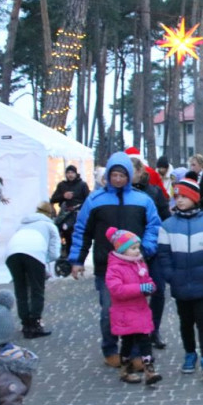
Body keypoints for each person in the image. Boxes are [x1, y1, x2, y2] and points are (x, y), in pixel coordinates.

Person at [69, 152, 161, 368]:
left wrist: (146, 248)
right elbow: (82, 231)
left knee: (137, 310)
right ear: (108, 176)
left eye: (122, 175)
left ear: (129, 176)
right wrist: (77, 260)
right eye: (114, 175)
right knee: (109, 311)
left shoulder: (142, 200)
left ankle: (136, 353)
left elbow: (154, 227)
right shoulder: (95, 200)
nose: (118, 179)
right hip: (106, 267)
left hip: (137, 265)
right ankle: (110, 348)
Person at [157, 179, 203, 380]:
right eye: (177, 196)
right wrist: (170, 275)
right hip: (180, 282)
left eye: (184, 196)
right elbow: (163, 254)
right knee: (185, 322)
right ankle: (190, 353)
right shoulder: (168, 226)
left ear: (194, 198)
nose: (179, 200)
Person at [104, 227, 161, 385]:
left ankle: (149, 370)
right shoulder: (115, 268)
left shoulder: (139, 264)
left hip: (141, 310)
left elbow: (147, 280)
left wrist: (150, 286)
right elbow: (117, 290)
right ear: (122, 250)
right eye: (133, 248)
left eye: (137, 247)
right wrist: (140, 289)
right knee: (127, 342)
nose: (137, 251)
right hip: (124, 312)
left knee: (145, 340)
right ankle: (125, 369)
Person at [130, 157, 171, 349]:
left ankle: (154, 329)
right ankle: (137, 332)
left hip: (153, 250)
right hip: (129, 252)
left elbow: (166, 219)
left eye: (132, 170)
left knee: (158, 290)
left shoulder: (154, 192)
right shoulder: (123, 194)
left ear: (140, 171)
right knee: (134, 293)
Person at [4, 201, 59, 338]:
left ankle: (25, 324)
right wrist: (44, 261)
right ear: (50, 214)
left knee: (20, 289)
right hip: (34, 252)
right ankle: (35, 324)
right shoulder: (50, 225)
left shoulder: (22, 225)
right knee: (37, 289)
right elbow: (55, 253)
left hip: (12, 253)